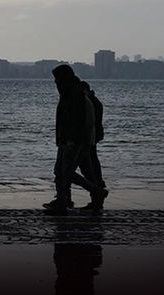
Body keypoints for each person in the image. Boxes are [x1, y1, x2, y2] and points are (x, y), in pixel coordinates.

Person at [43, 64, 107, 212]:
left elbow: (75, 120)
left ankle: (96, 192)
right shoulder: (73, 92)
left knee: (66, 172)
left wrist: (70, 140)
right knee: (64, 171)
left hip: (72, 140)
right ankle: (63, 199)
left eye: (57, 79)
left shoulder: (73, 94)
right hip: (71, 139)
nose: (55, 83)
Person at [79, 81, 107, 209]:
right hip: (93, 137)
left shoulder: (88, 102)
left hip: (89, 137)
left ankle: (96, 188)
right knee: (92, 161)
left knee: (88, 164)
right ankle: (98, 186)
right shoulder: (95, 101)